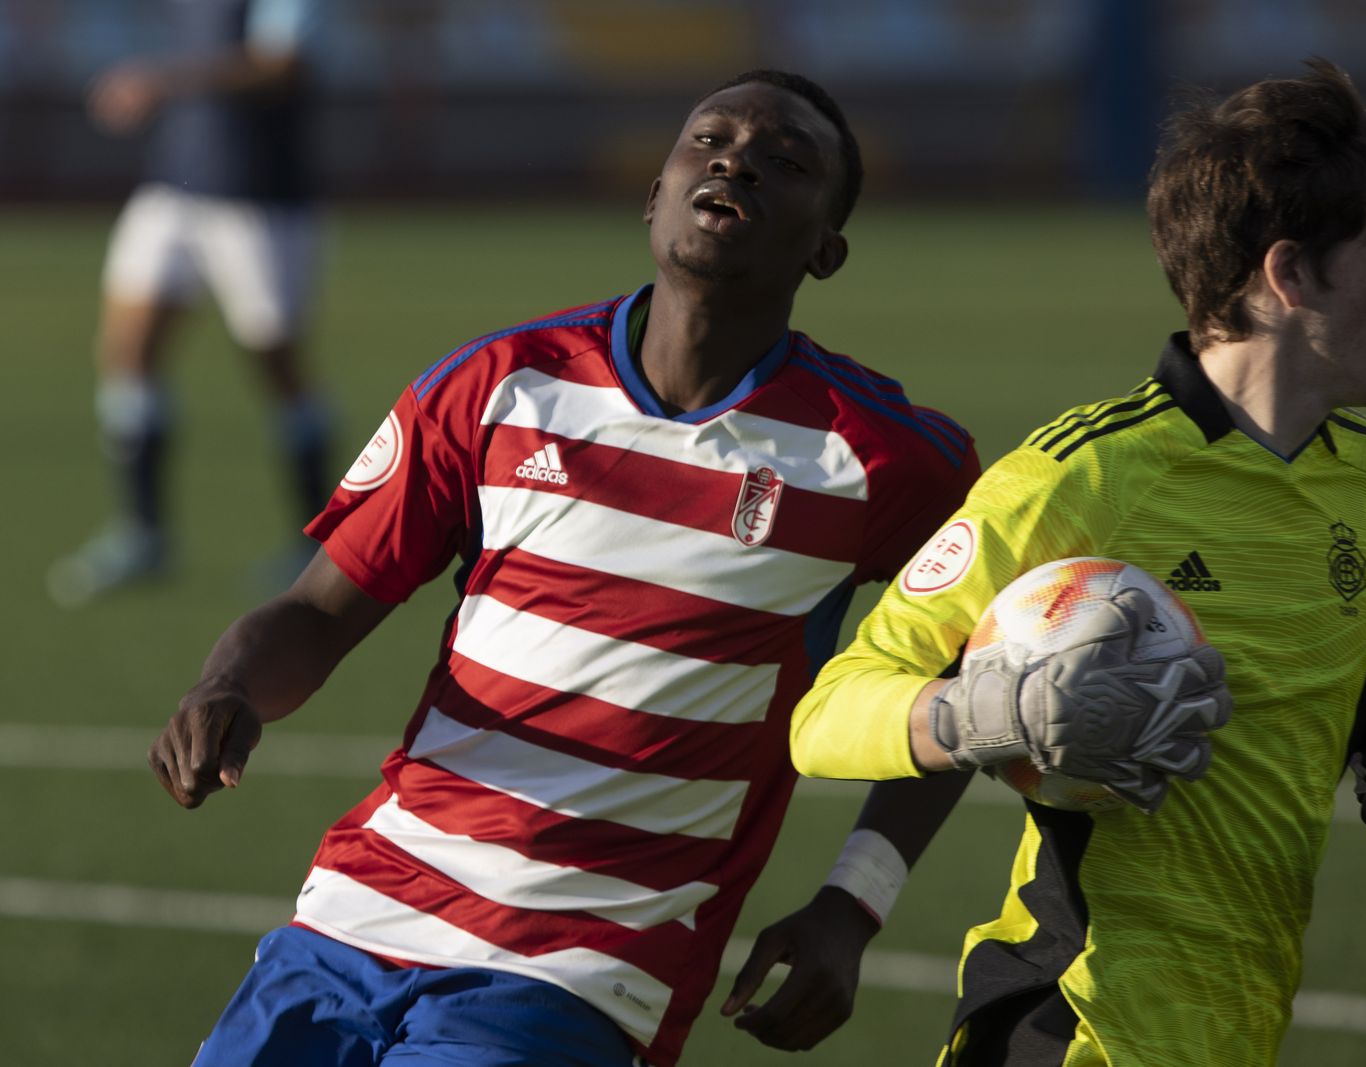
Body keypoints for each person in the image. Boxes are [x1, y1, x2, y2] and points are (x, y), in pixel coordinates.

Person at [146, 69, 980, 1067]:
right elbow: (319, 610)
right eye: (707, 139)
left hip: (586, 965)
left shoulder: (883, 456)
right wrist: (227, 686)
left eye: (785, 160)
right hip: (352, 913)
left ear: (824, 249)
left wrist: (855, 902)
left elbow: (973, 668)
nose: (737, 158)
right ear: (654, 194)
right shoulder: (501, 383)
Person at [788, 59, 1366, 1065]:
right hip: (1064, 1025)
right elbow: (828, 712)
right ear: (1289, 273)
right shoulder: (1077, 480)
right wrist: (980, 714)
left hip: (1236, 1033)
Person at [48, 0, 331, 607]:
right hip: (174, 186)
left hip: (257, 197)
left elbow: (282, 67)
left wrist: (164, 80)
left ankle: (317, 536)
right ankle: (142, 531)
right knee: (128, 348)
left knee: (277, 366)